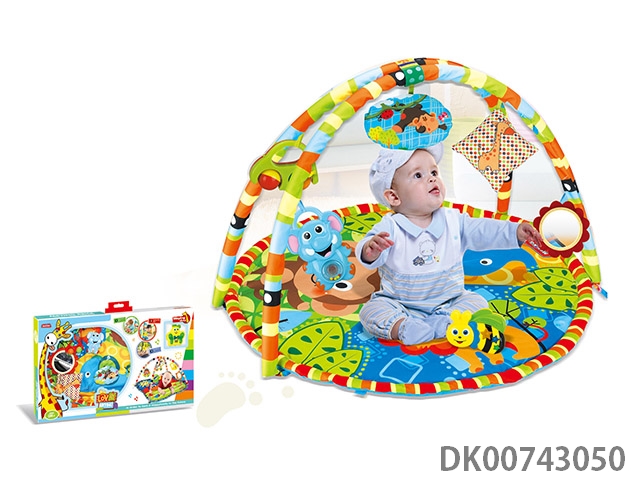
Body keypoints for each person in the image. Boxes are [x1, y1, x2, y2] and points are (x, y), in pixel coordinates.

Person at [356, 145, 542, 345]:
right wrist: (370, 250)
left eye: (434, 172)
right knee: (370, 311)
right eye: (418, 175)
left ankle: (442, 322)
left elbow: (484, 230)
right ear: (394, 197)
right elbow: (366, 249)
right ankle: (404, 327)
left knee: (477, 302)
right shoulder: (390, 227)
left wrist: (514, 232)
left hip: (449, 301)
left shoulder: (453, 220)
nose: (432, 179)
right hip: (399, 304)